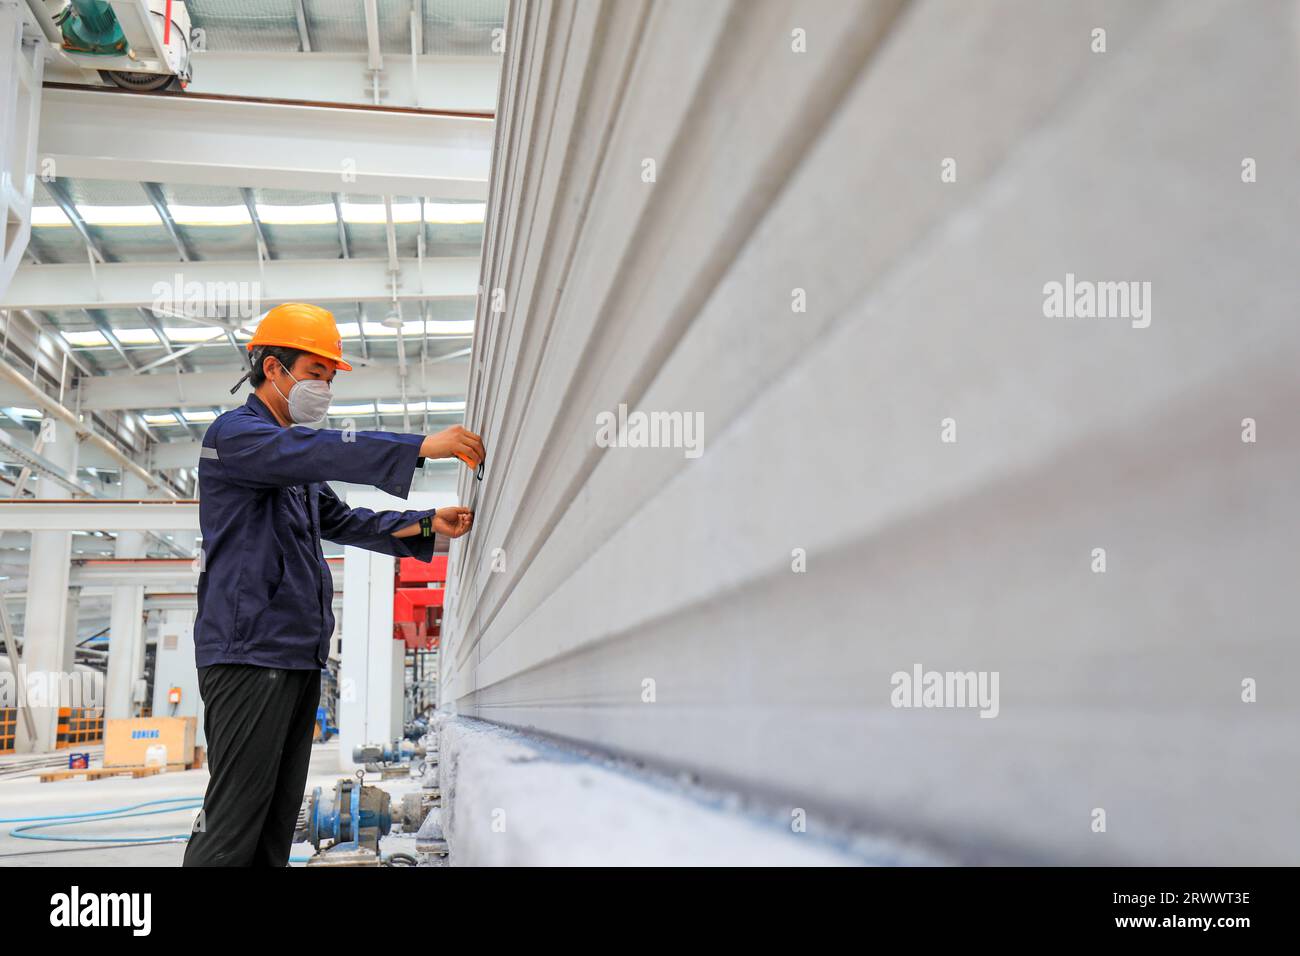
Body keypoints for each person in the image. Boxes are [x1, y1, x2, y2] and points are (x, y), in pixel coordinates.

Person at [182, 302, 484, 867]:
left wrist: (425, 524)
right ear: (273, 368)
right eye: (315, 372)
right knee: (233, 825)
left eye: (328, 376)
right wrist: (418, 446)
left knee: (275, 824)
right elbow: (315, 449)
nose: (323, 388)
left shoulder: (292, 460)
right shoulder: (238, 437)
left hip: (295, 656)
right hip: (248, 654)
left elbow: (344, 521)